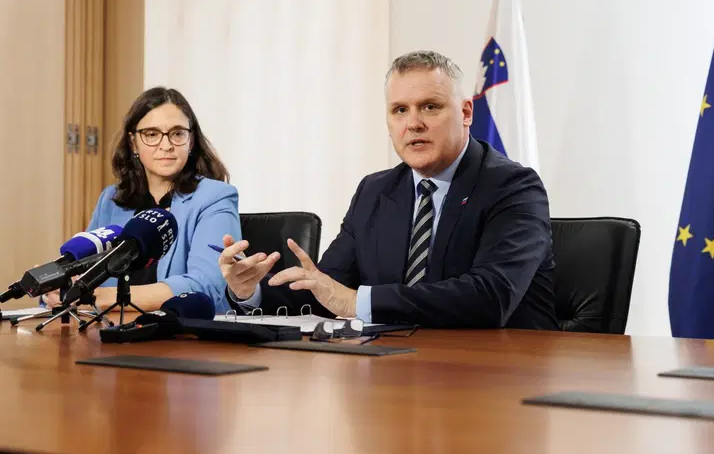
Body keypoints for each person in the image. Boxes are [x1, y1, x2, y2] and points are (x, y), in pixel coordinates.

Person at [220, 51, 558, 329]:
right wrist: (250, 291)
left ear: (466, 112)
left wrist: (358, 302)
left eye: (430, 107)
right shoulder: (375, 191)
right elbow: (328, 290)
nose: (413, 123)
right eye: (400, 110)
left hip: (498, 373)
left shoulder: (513, 187)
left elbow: (491, 297)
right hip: (397, 365)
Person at [44, 87, 241, 314]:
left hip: (182, 330)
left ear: (191, 140)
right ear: (134, 143)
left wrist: (98, 297)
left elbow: (205, 286)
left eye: (177, 133)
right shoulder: (111, 201)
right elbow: (86, 273)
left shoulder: (215, 197)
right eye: (152, 134)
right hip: (111, 327)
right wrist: (60, 288)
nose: (166, 145)